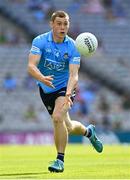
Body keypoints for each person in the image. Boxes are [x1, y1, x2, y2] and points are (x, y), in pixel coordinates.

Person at [28, 10, 103, 173]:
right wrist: (41, 78)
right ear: (52, 24)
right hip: (45, 88)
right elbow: (31, 66)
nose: (63, 27)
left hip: (64, 88)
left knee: (56, 118)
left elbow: (74, 75)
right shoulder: (40, 41)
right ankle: (89, 132)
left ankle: (59, 160)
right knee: (67, 126)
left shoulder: (73, 46)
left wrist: (68, 93)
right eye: (59, 24)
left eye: (65, 24)